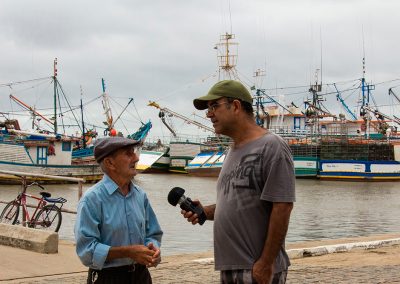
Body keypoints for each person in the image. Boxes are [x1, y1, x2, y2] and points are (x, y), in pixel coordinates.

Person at [183, 80, 296, 284]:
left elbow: (283, 206)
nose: (209, 114)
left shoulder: (272, 146)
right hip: (231, 266)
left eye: (214, 106)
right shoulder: (232, 151)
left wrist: (266, 263)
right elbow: (239, 203)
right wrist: (204, 212)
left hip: (255, 268)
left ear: (235, 106)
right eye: (208, 109)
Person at [75, 137, 163, 284]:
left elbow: (153, 233)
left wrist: (153, 249)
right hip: (108, 277)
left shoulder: (140, 195)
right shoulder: (92, 200)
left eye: (134, 152)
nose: (136, 158)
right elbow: (86, 251)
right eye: (128, 154)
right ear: (110, 163)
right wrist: (128, 252)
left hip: (141, 276)